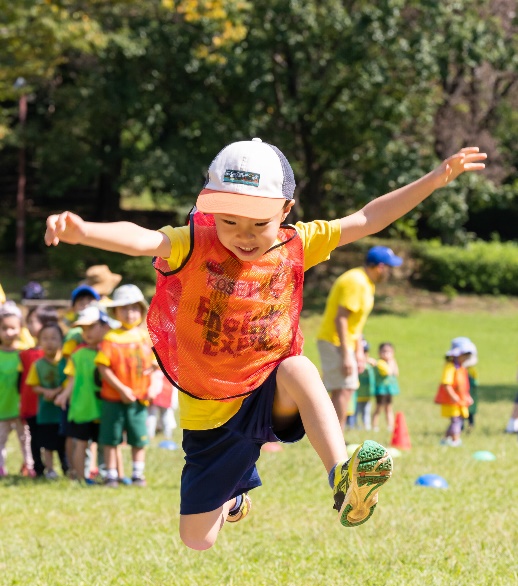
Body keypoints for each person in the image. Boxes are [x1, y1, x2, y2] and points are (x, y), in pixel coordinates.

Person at [44, 139, 486, 549]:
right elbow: (142, 239)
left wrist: (435, 178)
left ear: (286, 211)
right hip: (209, 412)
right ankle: (234, 497)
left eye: (259, 223)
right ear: (208, 211)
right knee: (198, 539)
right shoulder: (191, 243)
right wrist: (85, 231)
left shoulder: (299, 243)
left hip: (267, 391)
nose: (243, 235)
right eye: (229, 221)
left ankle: (342, 476)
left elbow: (367, 219)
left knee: (298, 368)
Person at [317, 245, 403, 430]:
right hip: (334, 340)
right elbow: (341, 318)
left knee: (346, 388)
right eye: (389, 268)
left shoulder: (367, 283)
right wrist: (347, 353)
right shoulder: (356, 281)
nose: (390, 273)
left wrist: (358, 352)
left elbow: (356, 323)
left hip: (345, 342)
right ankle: (335, 436)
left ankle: (334, 434)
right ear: (380, 266)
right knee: (342, 388)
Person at [94, 284, 153, 487]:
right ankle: (111, 475)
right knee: (111, 438)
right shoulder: (111, 338)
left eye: (134, 308)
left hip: (139, 398)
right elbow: (104, 368)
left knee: (139, 438)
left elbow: (156, 363)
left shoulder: (146, 337)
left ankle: (138, 474)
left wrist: (153, 378)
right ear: (115, 311)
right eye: (124, 308)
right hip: (113, 398)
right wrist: (122, 389)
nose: (130, 313)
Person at [55, 305, 113, 483]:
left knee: (105, 443)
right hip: (82, 408)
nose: (87, 332)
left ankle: (107, 475)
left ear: (105, 326)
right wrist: (64, 395)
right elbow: (71, 379)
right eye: (84, 328)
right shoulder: (77, 354)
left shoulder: (109, 350)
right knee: (81, 443)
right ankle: (81, 478)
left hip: (103, 406)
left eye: (91, 327)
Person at [19, 306, 59, 477]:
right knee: (35, 439)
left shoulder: (55, 355)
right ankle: (38, 468)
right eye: (27, 321)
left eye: (33, 321)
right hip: (30, 404)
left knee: (54, 437)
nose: (28, 325)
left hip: (47, 405)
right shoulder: (24, 354)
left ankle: (62, 466)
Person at [25, 322, 68, 477]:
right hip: (45, 412)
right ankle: (50, 470)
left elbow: (69, 381)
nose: (49, 342)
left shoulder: (66, 362)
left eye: (54, 338)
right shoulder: (37, 365)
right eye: (45, 338)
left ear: (61, 341)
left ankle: (66, 467)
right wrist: (46, 391)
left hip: (63, 412)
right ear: (39, 341)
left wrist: (57, 390)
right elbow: (33, 385)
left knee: (63, 442)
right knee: (47, 444)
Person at [0, 303, 34, 477]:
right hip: (2, 407)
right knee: (1, 441)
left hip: (21, 408)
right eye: (4, 328)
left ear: (21, 329)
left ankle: (29, 466)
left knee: (25, 439)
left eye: (13, 328)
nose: (8, 332)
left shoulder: (25, 353)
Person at [434, 337, 475, 447]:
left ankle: (445, 439)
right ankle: (455, 440)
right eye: (465, 355)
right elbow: (446, 384)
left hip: (460, 400)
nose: (467, 358)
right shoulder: (450, 367)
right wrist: (453, 396)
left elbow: (463, 386)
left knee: (457, 420)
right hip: (452, 401)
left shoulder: (461, 368)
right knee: (456, 421)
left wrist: (467, 397)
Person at [372, 342, 400, 432]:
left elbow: (396, 373)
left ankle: (390, 426)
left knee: (389, 408)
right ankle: (374, 426)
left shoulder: (392, 362)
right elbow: (388, 372)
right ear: (379, 353)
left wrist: (392, 362)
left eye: (389, 352)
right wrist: (390, 363)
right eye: (383, 351)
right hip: (381, 389)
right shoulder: (380, 363)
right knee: (378, 408)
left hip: (389, 389)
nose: (386, 354)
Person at [353, 339, 376, 430]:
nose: (364, 355)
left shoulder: (371, 365)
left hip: (367, 394)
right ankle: (354, 425)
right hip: (357, 394)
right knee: (356, 411)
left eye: (365, 352)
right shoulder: (354, 365)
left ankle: (366, 426)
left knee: (366, 411)